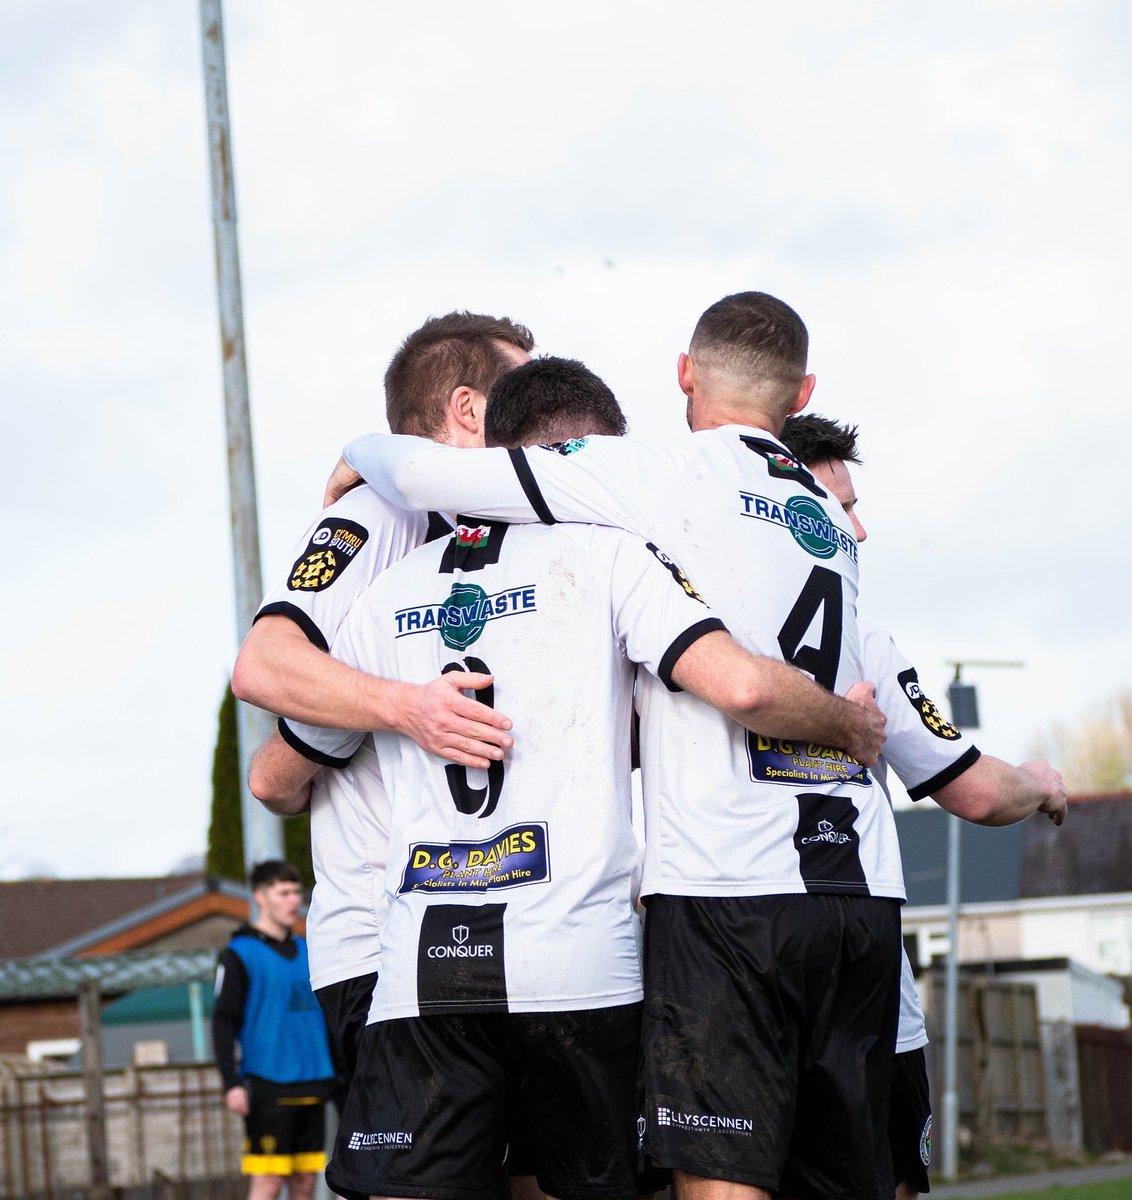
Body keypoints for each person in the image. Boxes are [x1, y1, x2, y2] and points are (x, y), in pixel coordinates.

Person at [249, 356, 888, 1200]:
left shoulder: (384, 596)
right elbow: (734, 683)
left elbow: (277, 773)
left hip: (423, 974)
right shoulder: (613, 558)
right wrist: (845, 722)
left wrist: (402, 716)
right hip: (580, 963)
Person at [231, 312, 533, 1087]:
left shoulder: (526, 531)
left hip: (521, 933)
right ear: (468, 410)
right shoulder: (380, 514)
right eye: (521, 388)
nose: (540, 408)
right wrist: (408, 708)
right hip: (384, 947)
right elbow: (264, 665)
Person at [778, 413, 1067, 1200]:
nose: (861, 532)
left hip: (714, 948)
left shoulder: (682, 626)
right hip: (853, 952)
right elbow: (971, 787)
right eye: (844, 507)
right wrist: (1040, 782)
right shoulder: (861, 636)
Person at [212, 860, 335, 1200]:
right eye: (283, 892)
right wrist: (230, 1081)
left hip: (313, 1079)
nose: (293, 900)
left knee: (306, 1181)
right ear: (260, 897)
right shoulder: (239, 954)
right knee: (267, 1183)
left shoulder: (311, 950)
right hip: (267, 1084)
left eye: (297, 892)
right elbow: (223, 1021)